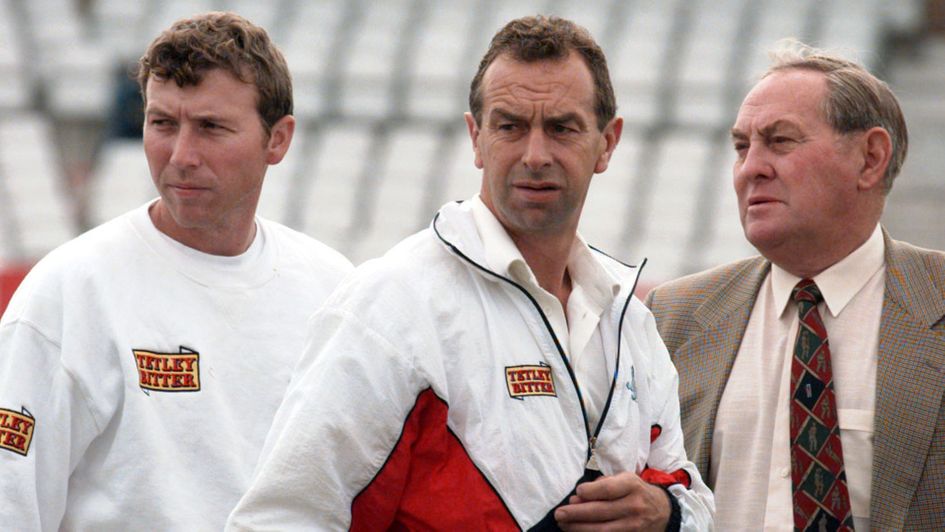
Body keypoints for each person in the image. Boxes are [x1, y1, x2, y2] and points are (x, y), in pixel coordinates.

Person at [226, 15, 713, 531]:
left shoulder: (626, 318)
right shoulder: (394, 303)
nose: (535, 154)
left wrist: (666, 514)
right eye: (510, 126)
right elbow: (282, 518)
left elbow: (697, 499)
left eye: (562, 128)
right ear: (475, 137)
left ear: (607, 143)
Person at [0, 12, 352, 530]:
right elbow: (12, 498)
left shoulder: (333, 289)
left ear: (278, 140)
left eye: (211, 127)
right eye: (163, 123)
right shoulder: (69, 291)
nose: (181, 155)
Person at [646, 39, 945, 531]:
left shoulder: (932, 300)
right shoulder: (672, 316)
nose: (750, 168)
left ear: (870, 158)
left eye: (780, 141)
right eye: (742, 146)